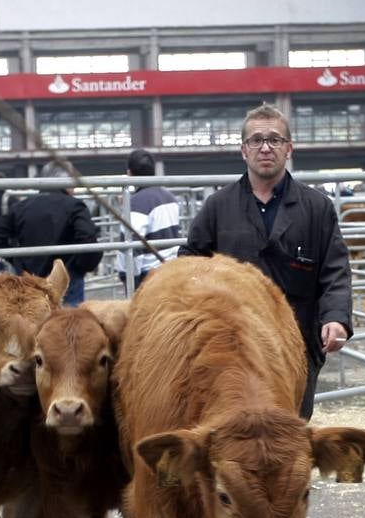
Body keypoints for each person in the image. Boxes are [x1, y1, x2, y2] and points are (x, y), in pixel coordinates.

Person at [180, 102, 351, 419]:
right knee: (234, 425)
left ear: (289, 149)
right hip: (232, 341)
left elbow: (335, 271)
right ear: (244, 150)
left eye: (275, 139)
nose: (265, 147)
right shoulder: (218, 207)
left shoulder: (317, 207)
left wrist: (335, 318)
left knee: (290, 425)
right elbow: (190, 262)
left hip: (297, 339)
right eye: (256, 140)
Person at [0, 161, 101, 306]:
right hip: (66, 279)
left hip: (30, 280)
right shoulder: (75, 206)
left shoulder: (21, 206)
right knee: (67, 323)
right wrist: (80, 268)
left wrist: (17, 261)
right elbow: (88, 237)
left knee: (33, 324)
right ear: (67, 182)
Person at [119, 149, 181, 291]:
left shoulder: (136, 203)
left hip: (149, 278)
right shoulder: (170, 197)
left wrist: (128, 278)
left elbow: (131, 245)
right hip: (171, 271)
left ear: (130, 172)